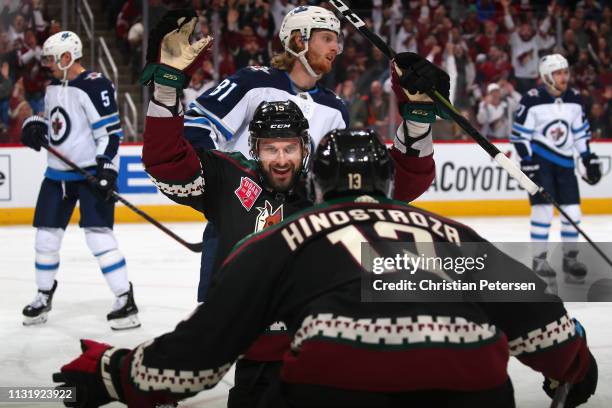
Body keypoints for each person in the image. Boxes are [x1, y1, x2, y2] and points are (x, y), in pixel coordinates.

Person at [53, 129, 598, 408]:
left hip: (338, 386)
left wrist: (111, 374)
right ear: (388, 186)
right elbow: (547, 329)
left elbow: (195, 361)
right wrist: (575, 366)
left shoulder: (284, 238)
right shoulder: (446, 233)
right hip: (472, 387)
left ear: (315, 186)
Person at [137, 10, 448, 407]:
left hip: (306, 231)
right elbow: (194, 136)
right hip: (244, 219)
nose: (337, 47)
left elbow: (363, 179)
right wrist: (229, 185)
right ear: (298, 39)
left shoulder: (334, 106)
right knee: (233, 334)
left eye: (337, 39)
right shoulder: (253, 82)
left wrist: (417, 119)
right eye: (326, 38)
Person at [19, 31, 139, 330]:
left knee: (99, 238)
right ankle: (43, 294)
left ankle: (125, 298)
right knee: (45, 239)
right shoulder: (52, 87)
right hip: (56, 174)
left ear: (67, 56)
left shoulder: (95, 85)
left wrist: (107, 169)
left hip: (88, 174)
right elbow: (57, 126)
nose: (46, 63)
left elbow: (110, 133)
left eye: (51, 58)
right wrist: (36, 128)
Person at [510, 54, 602, 286]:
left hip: (565, 165)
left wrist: (587, 157)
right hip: (541, 165)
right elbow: (519, 136)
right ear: (546, 76)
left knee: (573, 213)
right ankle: (539, 260)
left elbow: (580, 132)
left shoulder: (574, 98)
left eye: (565, 72)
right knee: (542, 212)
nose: (564, 77)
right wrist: (528, 163)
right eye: (558, 73)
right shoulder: (532, 99)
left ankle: (570, 260)